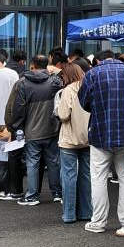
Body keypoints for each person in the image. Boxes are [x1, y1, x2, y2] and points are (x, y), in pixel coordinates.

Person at [80, 53, 124, 236]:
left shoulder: (92, 74)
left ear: (98, 61)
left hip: (100, 131)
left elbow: (84, 102)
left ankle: (98, 222)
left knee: (98, 178)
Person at [11, 55, 64, 206]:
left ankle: (32, 195)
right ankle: (57, 193)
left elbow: (18, 109)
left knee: (32, 163)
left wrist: (18, 129)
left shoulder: (23, 83)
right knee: (54, 162)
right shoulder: (54, 81)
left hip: (31, 130)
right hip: (52, 128)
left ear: (32, 65)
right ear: (47, 65)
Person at [50, 62, 92, 223]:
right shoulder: (90, 86)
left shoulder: (68, 90)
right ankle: (86, 212)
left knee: (69, 175)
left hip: (69, 138)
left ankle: (69, 214)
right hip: (87, 137)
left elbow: (63, 115)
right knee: (86, 175)